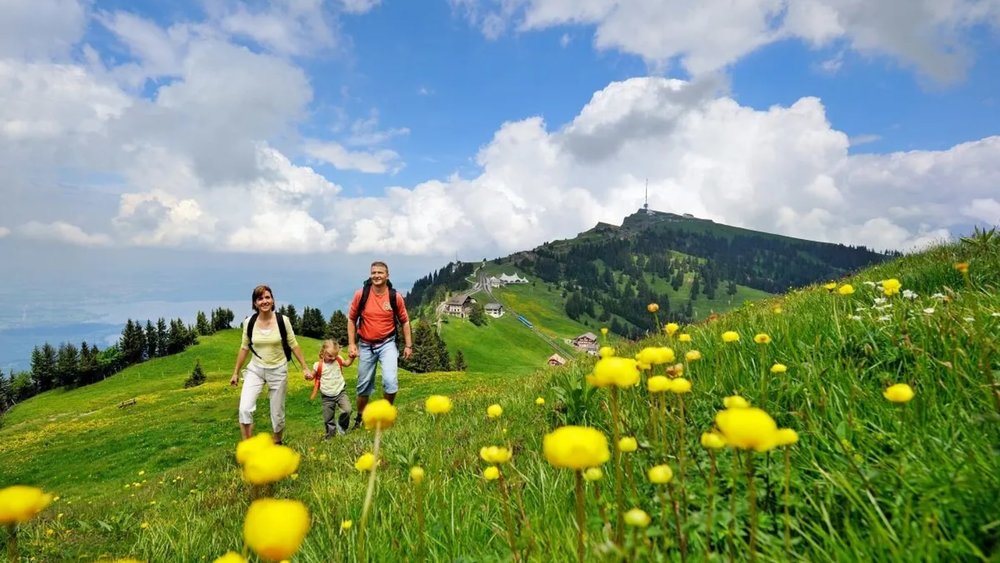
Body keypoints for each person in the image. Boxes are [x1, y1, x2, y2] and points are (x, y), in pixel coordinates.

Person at [230, 284, 313, 444]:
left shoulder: (283, 321)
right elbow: (244, 347)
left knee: (278, 415)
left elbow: (293, 344)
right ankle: (249, 447)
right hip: (255, 370)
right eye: (260, 298)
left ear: (273, 300)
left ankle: (277, 443)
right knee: (244, 409)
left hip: (278, 370)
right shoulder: (249, 322)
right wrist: (235, 372)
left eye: (267, 297)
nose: (264, 301)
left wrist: (305, 368)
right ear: (255, 303)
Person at [347, 261, 413, 429]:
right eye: (373, 272)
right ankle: (360, 418)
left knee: (390, 382)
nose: (376, 275)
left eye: (380, 273)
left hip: (387, 343)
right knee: (363, 386)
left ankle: (386, 414)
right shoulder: (361, 294)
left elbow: (405, 321)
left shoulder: (394, 296)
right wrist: (352, 344)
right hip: (365, 345)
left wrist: (408, 345)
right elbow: (352, 319)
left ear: (387, 276)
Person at [311, 339, 355, 438]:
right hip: (327, 396)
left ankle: (342, 427)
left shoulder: (338, 359)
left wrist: (351, 357)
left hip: (340, 391)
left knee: (348, 410)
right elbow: (312, 376)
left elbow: (347, 363)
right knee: (328, 418)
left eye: (335, 355)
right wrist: (308, 376)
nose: (333, 358)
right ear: (322, 353)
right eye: (330, 356)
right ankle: (330, 435)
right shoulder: (318, 365)